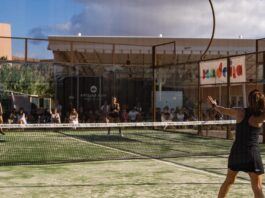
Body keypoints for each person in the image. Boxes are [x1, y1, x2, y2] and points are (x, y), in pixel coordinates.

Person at [208, 89, 265, 198]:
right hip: (251, 154)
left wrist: (214, 105)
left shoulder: (239, 112)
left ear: (249, 100)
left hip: (236, 153)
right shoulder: (261, 116)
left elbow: (223, 110)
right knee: (257, 187)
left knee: (228, 181)